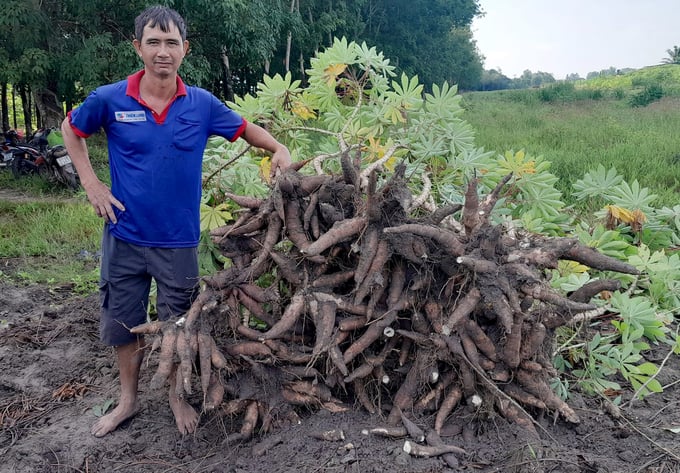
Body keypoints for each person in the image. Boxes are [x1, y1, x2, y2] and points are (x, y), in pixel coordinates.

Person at [61, 5, 291, 438]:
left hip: (178, 241)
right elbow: (71, 129)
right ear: (138, 47)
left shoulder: (201, 104)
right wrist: (91, 183)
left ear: (184, 49)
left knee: (179, 324)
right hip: (124, 234)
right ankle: (128, 401)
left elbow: (245, 130)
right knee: (123, 321)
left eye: (170, 43)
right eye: (153, 42)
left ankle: (176, 396)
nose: (161, 51)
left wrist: (277, 147)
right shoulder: (110, 99)